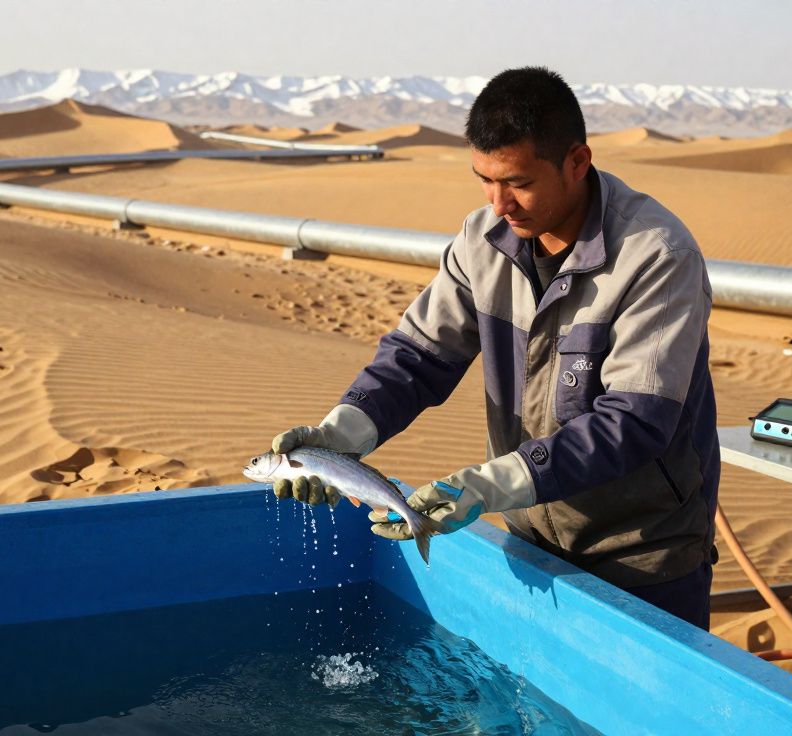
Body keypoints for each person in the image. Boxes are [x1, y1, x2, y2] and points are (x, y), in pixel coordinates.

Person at [269, 67, 720, 630]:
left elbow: (634, 422)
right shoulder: (481, 241)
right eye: (484, 178)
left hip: (644, 555)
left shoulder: (655, 255)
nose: (499, 202)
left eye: (519, 182)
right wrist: (340, 436)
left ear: (577, 162)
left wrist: (487, 486)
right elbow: (417, 358)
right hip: (530, 539)